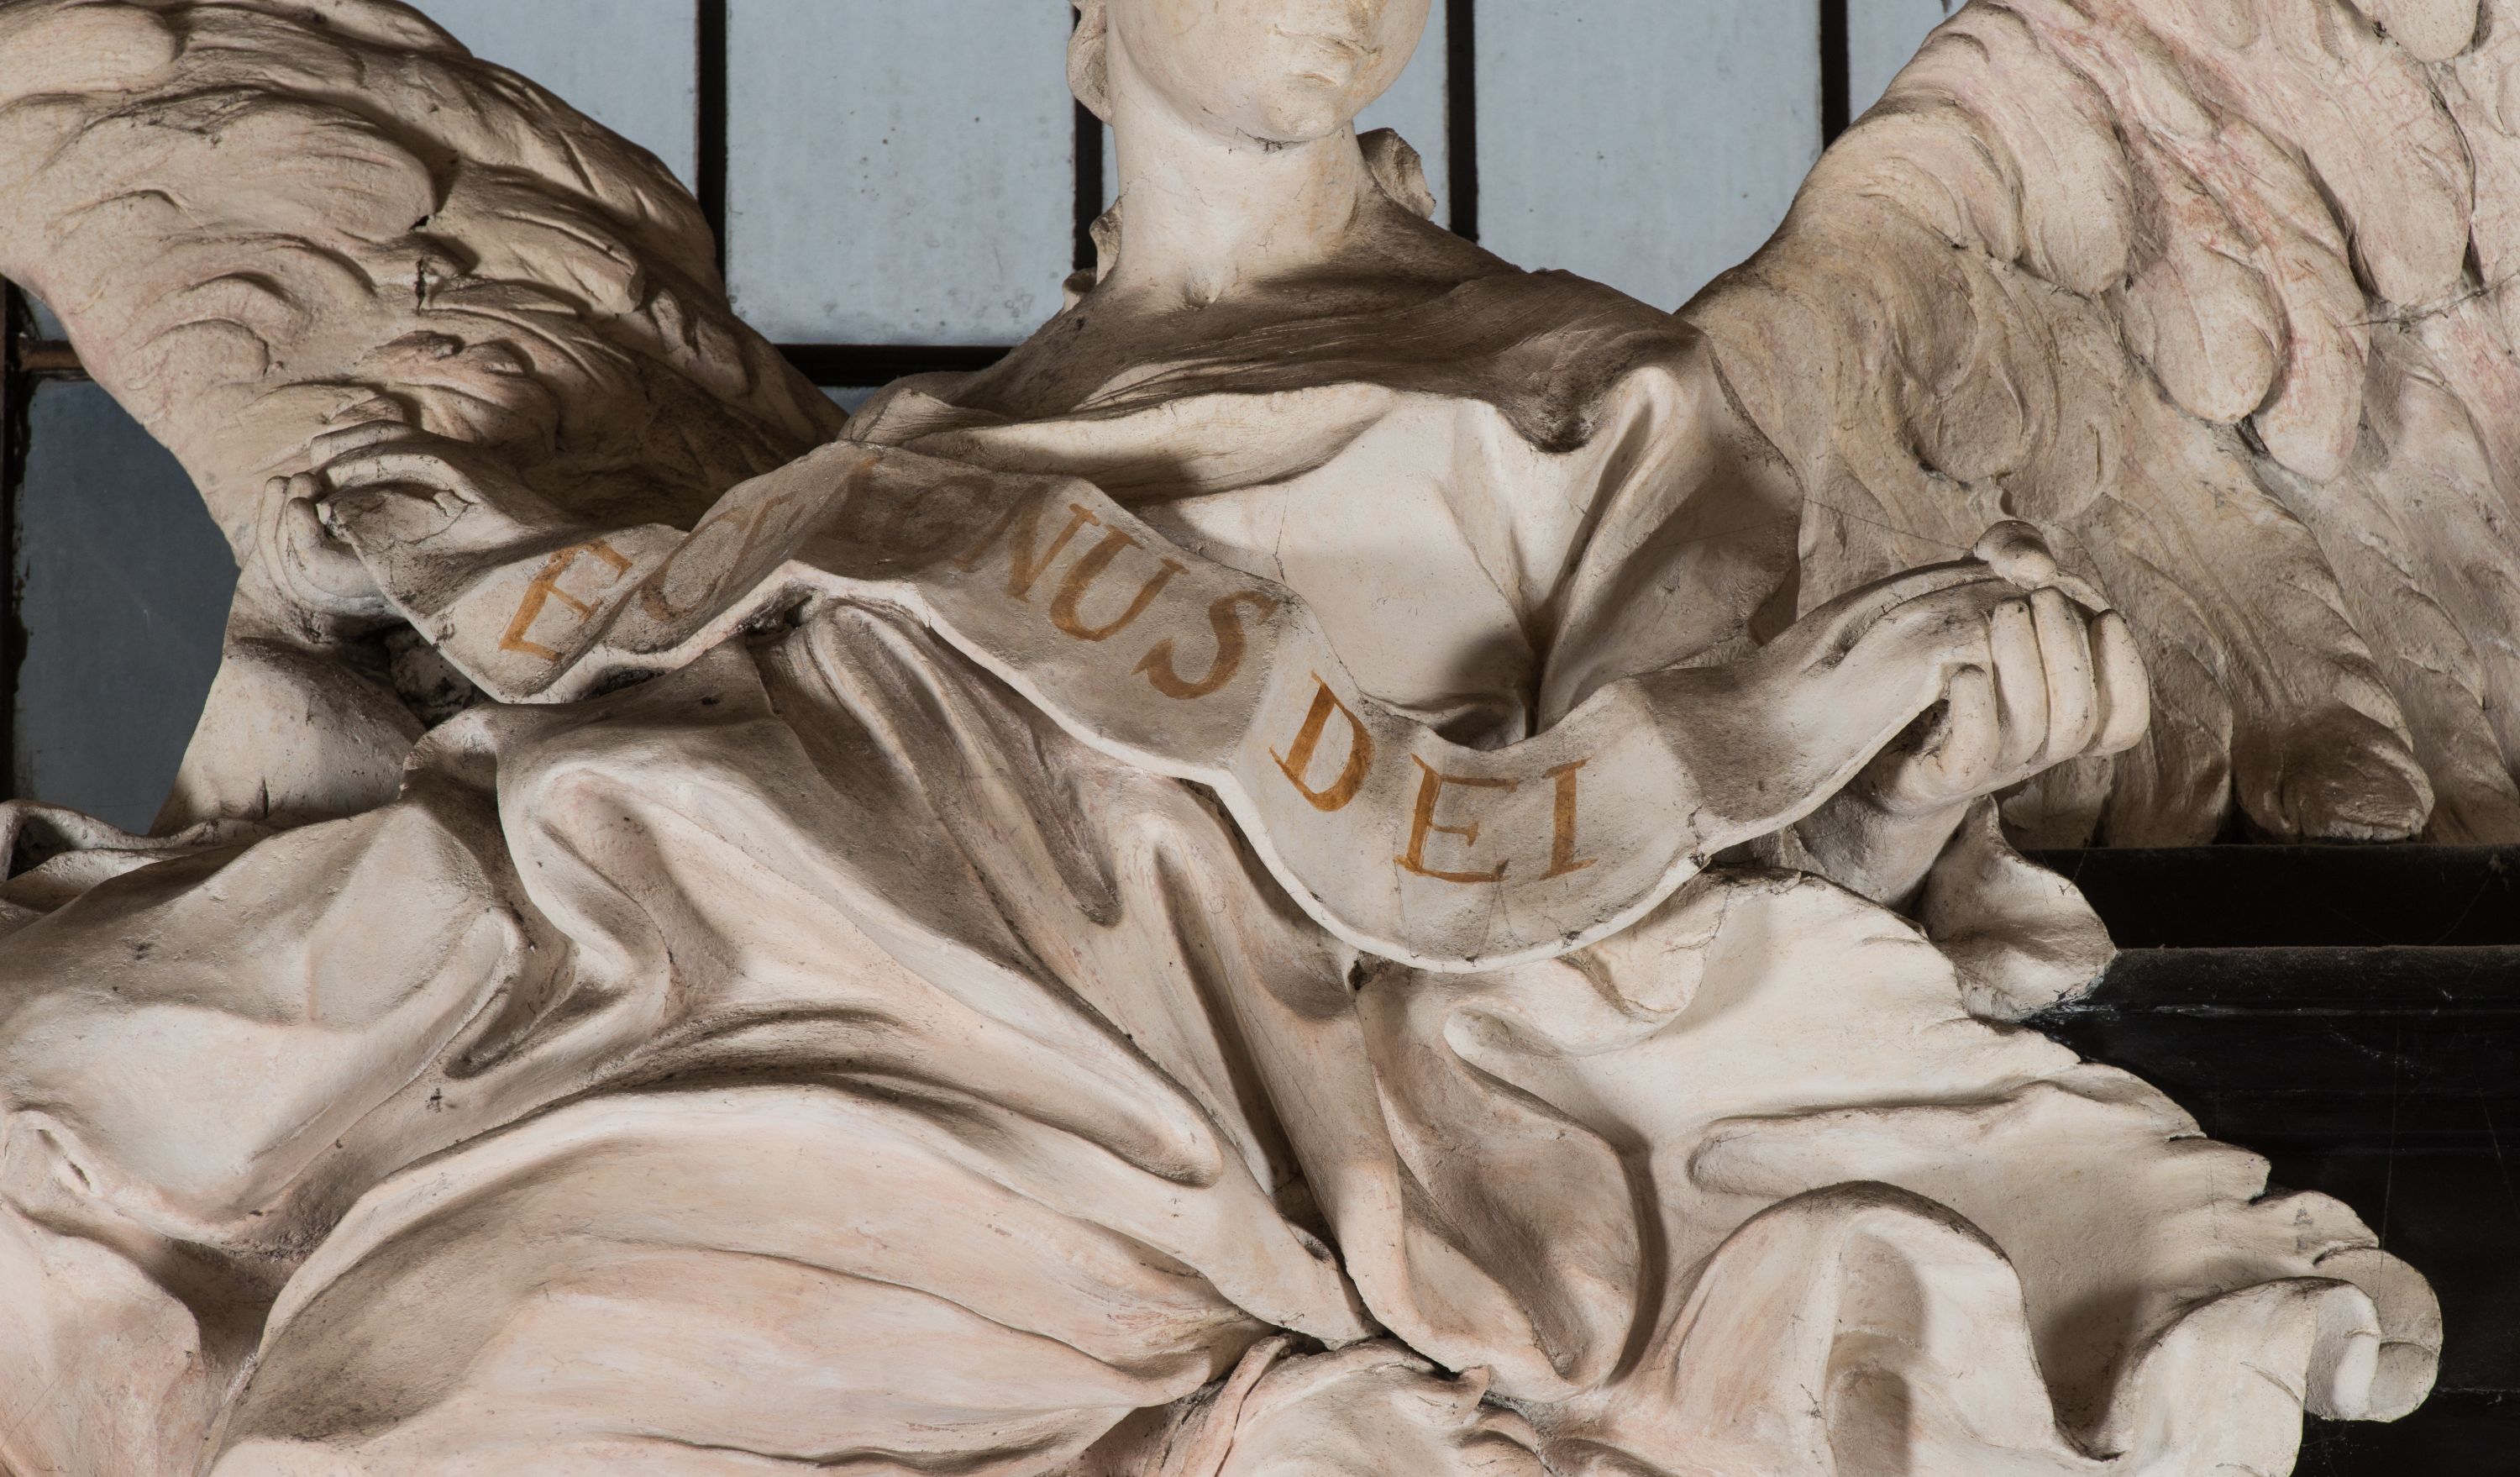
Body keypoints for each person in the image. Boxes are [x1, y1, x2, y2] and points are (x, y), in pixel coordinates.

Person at [0, 2, 2432, 1472]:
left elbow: (1717, 881)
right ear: (1085, 34)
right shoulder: (895, 463)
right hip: (691, 949)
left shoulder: (1583, 385)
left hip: (1154, 1081)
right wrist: (366, 613)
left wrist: (1911, 759)